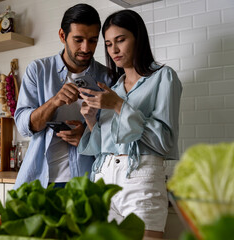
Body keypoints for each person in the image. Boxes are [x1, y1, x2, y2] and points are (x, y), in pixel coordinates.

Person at [78, 9, 182, 238]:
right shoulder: (113, 89)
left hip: (141, 177)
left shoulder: (164, 77)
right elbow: (103, 147)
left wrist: (119, 106)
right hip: (103, 179)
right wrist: (91, 119)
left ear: (138, 38)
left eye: (120, 40)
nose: (113, 50)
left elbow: (164, 141)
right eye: (108, 44)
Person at [14, 4, 113, 189]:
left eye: (92, 40)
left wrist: (87, 136)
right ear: (62, 36)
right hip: (39, 180)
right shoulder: (38, 70)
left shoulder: (107, 77)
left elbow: (115, 133)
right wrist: (54, 102)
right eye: (78, 39)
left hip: (86, 181)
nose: (86, 48)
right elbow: (23, 126)